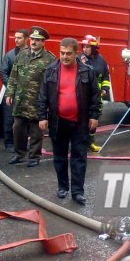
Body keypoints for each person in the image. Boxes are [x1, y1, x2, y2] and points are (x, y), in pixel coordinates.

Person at [39, 38, 101, 205]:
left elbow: (95, 96)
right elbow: (43, 96)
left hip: (80, 122)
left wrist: (94, 116)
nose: (64, 57)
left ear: (76, 53)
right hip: (57, 122)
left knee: (79, 157)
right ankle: (62, 187)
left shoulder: (87, 71)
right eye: (62, 53)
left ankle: (77, 192)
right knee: (59, 157)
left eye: (68, 54)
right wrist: (42, 117)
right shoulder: (51, 70)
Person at [6, 26, 55, 167]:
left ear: (43, 42)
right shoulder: (22, 54)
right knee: (18, 128)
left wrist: (48, 103)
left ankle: (34, 157)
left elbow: (51, 84)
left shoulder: (49, 59)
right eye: (33, 39)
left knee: (36, 131)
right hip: (20, 100)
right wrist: (10, 93)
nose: (34, 42)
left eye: (37, 40)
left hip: (36, 102)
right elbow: (13, 75)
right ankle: (19, 154)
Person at [0, 29, 29, 153]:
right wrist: (12, 88)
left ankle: (22, 144)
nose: (16, 40)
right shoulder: (10, 55)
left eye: (19, 38)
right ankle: (9, 144)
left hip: (27, 94)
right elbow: (3, 73)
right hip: (11, 94)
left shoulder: (32, 55)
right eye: (15, 37)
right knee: (9, 120)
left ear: (27, 39)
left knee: (24, 121)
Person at [79, 34, 111, 152]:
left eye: (87, 47)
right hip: (83, 96)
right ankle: (79, 144)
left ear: (94, 48)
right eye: (84, 47)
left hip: (96, 97)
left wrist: (105, 89)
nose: (85, 49)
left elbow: (106, 77)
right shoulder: (80, 59)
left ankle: (90, 144)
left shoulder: (101, 60)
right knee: (81, 121)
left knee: (94, 120)